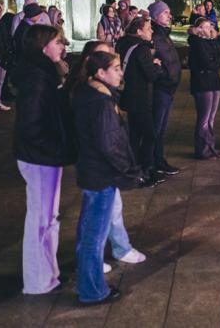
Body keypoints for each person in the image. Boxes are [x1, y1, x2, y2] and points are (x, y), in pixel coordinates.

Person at [66, 41, 147, 276]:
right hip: (100, 171)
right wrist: (129, 170)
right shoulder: (98, 100)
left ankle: (115, 251)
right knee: (96, 227)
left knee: (101, 218)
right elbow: (108, 141)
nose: (120, 71)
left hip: (96, 169)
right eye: (114, 65)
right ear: (97, 69)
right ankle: (92, 283)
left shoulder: (95, 93)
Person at [12, 24, 75, 294]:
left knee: (47, 217)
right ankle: (38, 280)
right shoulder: (38, 77)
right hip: (40, 157)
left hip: (43, 155)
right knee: (42, 219)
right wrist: (55, 149)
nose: (64, 46)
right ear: (43, 46)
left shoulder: (43, 73)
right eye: (58, 42)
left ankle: (49, 274)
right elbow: (31, 124)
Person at [116, 17, 165, 187]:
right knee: (150, 135)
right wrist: (156, 64)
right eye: (148, 28)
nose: (151, 31)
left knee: (135, 135)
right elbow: (150, 74)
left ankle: (134, 170)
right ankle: (144, 171)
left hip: (129, 96)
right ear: (138, 31)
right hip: (141, 97)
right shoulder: (141, 48)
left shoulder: (123, 44)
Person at [148, 1, 182, 176]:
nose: (169, 15)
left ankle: (158, 160)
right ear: (155, 16)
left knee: (161, 128)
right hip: (160, 89)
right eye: (165, 12)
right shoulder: (153, 36)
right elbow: (151, 63)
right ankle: (152, 162)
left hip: (168, 89)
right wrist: (163, 75)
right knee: (156, 128)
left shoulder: (163, 34)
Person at [188, 17, 220, 159]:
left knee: (211, 118)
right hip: (203, 82)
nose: (208, 29)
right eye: (204, 26)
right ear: (198, 29)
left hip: (213, 81)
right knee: (203, 118)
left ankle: (210, 147)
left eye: (209, 26)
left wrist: (217, 45)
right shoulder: (197, 42)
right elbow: (206, 62)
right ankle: (202, 149)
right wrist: (215, 61)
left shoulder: (212, 42)